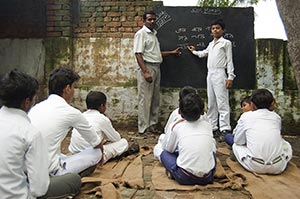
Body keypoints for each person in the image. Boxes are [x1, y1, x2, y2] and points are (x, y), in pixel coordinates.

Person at [0, 69, 81, 199]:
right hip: (19, 194)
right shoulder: (30, 133)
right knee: (74, 180)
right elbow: (39, 189)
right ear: (27, 101)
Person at [28, 67, 103, 177]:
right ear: (67, 88)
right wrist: (101, 155)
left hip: (28, 167)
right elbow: (96, 143)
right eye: (73, 87)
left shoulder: (36, 107)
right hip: (48, 171)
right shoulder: (71, 112)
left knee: (60, 153)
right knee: (96, 153)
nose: (73, 91)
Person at [134, 10, 181, 134]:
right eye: (149, 19)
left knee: (154, 98)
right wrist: (145, 72)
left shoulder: (153, 34)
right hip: (147, 67)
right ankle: (143, 129)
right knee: (145, 99)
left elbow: (155, 54)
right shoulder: (141, 34)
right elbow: (138, 54)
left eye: (154, 19)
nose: (152, 21)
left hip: (156, 67)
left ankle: (152, 126)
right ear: (144, 21)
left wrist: (171, 53)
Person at [187, 19, 236, 139]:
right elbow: (203, 53)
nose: (215, 30)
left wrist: (230, 76)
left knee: (222, 101)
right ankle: (213, 126)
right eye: (213, 28)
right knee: (212, 101)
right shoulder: (211, 44)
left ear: (222, 30)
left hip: (220, 73)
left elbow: (229, 60)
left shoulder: (226, 43)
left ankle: (225, 128)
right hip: (210, 74)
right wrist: (194, 51)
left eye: (218, 28)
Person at [160, 93, 216, 185]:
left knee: (164, 154)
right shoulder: (208, 126)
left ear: (180, 112)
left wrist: (175, 125)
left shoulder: (177, 127)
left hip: (185, 177)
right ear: (202, 112)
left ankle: (174, 172)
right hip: (208, 177)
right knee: (212, 152)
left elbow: (169, 149)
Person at [232, 88, 292, 174]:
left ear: (252, 104)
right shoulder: (276, 117)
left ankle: (240, 158)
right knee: (286, 144)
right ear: (271, 103)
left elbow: (238, 141)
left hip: (254, 165)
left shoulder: (246, 116)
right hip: (278, 166)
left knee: (236, 145)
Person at [69, 91, 139, 163]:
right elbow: (116, 139)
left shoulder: (81, 116)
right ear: (102, 106)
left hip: (75, 154)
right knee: (123, 143)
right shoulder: (102, 118)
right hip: (93, 157)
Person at [153, 86, 199, 161]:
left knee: (159, 147)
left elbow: (168, 147)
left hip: (182, 159)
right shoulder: (204, 118)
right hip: (202, 159)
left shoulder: (176, 120)